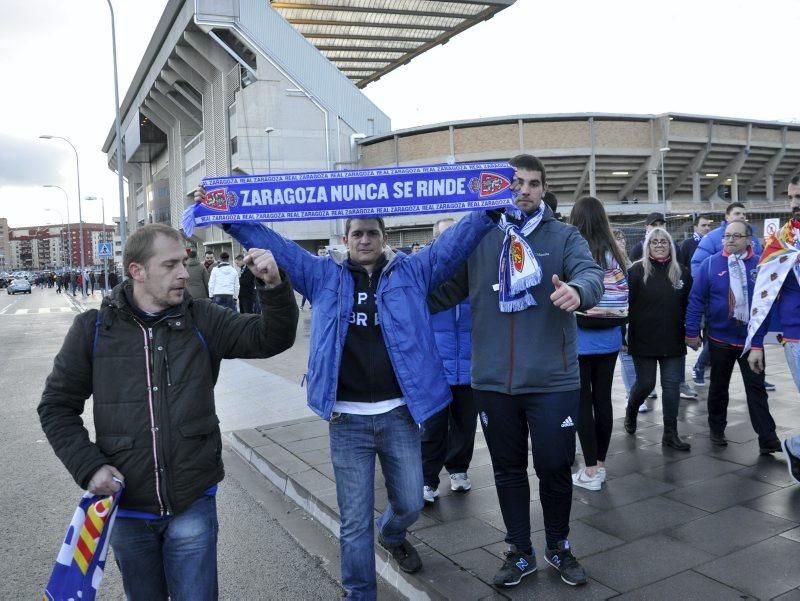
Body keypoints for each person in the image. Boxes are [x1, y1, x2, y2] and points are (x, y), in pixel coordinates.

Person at [202, 179, 499, 600]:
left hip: (399, 414)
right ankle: (359, 593)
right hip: (347, 420)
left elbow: (452, 247)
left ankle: (392, 533)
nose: (364, 239)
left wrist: (490, 210)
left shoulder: (413, 273)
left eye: (372, 233)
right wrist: (229, 217)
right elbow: (278, 245)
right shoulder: (324, 277)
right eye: (357, 233)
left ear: (383, 238)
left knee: (412, 503)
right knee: (354, 520)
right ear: (346, 239)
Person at [38, 223, 299, 600]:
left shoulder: (203, 319)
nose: (183, 273)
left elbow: (271, 337)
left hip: (192, 502)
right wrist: (89, 467)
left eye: (184, 262)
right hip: (128, 510)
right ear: (137, 271)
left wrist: (273, 287)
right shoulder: (94, 329)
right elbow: (56, 407)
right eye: (170, 265)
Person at [429, 154, 603, 588]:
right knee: (507, 471)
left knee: (554, 468)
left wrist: (579, 291)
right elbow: (444, 290)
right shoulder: (479, 238)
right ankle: (519, 551)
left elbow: (590, 273)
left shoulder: (563, 236)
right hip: (492, 381)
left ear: (544, 190)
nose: (523, 189)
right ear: (502, 188)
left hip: (552, 381)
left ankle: (559, 547)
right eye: (516, 182)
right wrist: (395, 288)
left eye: (532, 183)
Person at [685, 220, 781, 454]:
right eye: (727, 236)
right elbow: (696, 299)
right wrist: (691, 332)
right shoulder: (710, 265)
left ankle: (767, 439)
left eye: (736, 236)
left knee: (756, 390)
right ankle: (716, 430)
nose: (730, 240)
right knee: (718, 388)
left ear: (749, 239)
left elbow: (767, 305)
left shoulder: (761, 266)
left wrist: (759, 341)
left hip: (751, 343)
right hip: (719, 340)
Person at [570, 197, 629, 491]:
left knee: (582, 401)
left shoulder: (575, 248)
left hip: (580, 338)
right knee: (603, 399)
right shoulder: (613, 252)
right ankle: (601, 465)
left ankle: (590, 469)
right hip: (609, 337)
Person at [747, 176, 800, 482]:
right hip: (796, 336)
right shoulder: (781, 240)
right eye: (791, 196)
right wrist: (756, 343)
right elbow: (763, 294)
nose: (794, 203)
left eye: (799, 196)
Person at [421, 218, 478, 504]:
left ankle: (458, 470)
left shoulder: (473, 269)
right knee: (432, 428)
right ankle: (427, 479)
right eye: (445, 237)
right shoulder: (427, 272)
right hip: (436, 367)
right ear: (435, 240)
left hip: (469, 366)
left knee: (465, 425)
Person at [624, 228, 692, 451]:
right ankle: (631, 410)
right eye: (654, 242)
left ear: (670, 245)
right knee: (646, 384)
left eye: (664, 241)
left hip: (672, 339)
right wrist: (622, 335)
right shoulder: (635, 271)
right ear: (647, 246)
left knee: (672, 387)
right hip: (643, 339)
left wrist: (692, 331)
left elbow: (688, 306)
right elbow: (625, 306)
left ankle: (670, 434)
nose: (660, 244)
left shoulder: (682, 272)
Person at [682, 215, 713, 387]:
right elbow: (684, 267)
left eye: (709, 225)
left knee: (710, 330)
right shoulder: (688, 244)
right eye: (703, 225)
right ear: (695, 227)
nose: (707, 228)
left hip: (710, 295)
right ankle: (699, 365)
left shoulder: (715, 242)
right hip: (695, 294)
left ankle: (705, 362)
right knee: (699, 328)